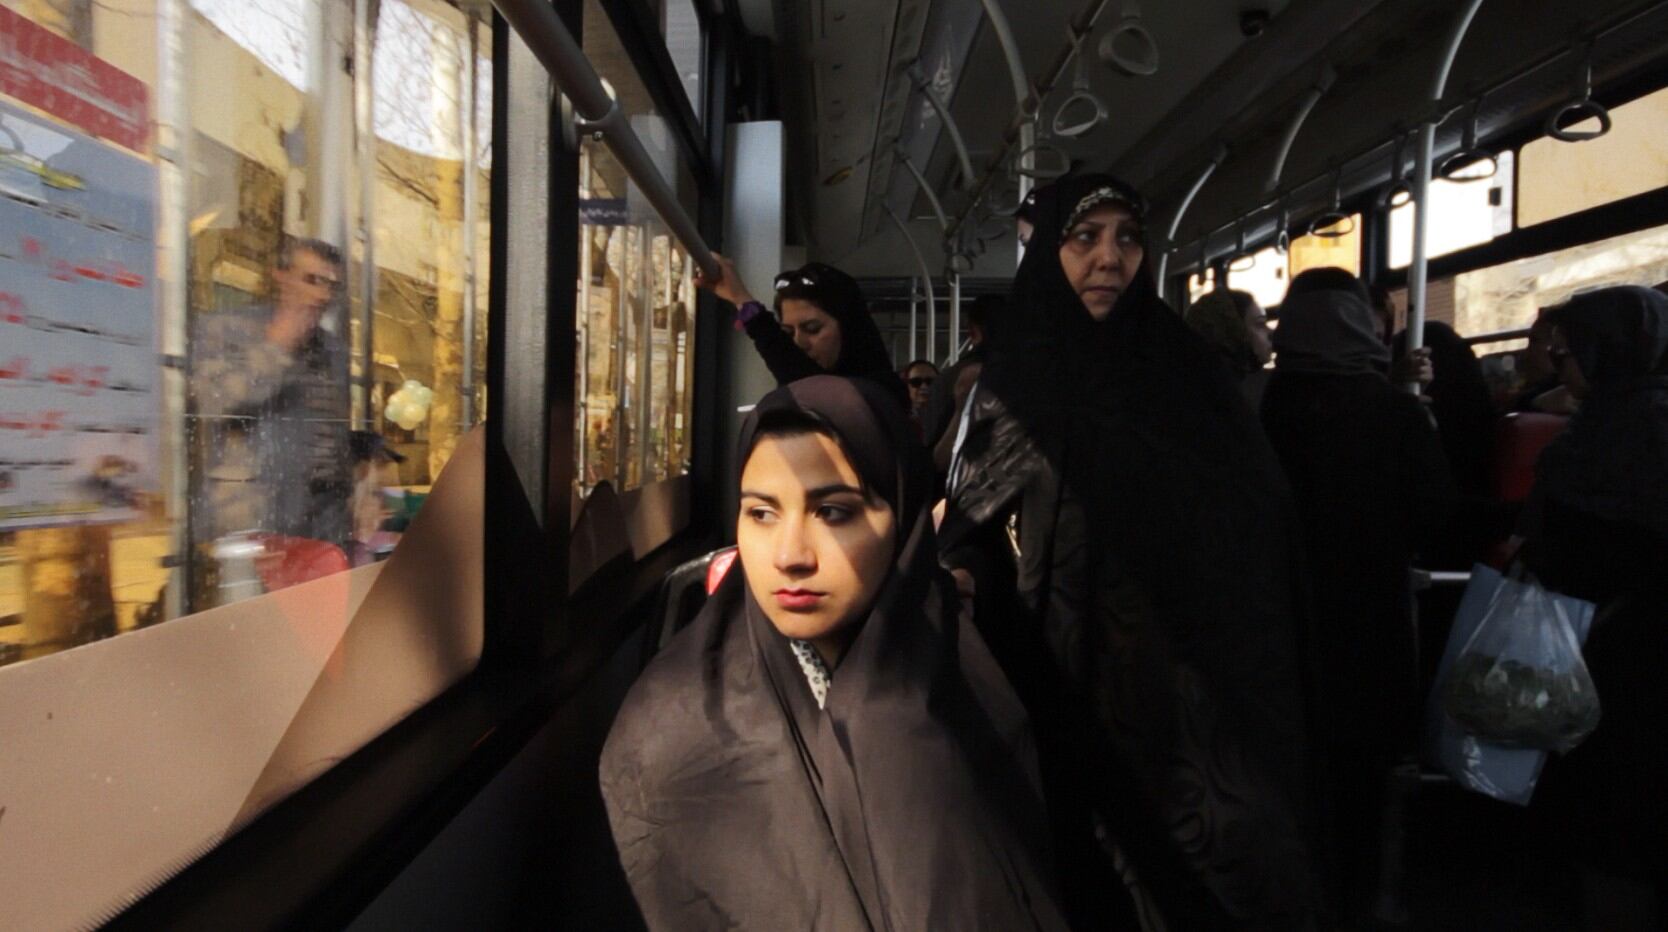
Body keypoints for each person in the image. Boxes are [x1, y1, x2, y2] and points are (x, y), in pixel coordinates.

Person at [941, 173, 1320, 928]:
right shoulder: (1016, 382)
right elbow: (974, 524)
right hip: (1057, 674)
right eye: (1085, 239)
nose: (1109, 258)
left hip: (1188, 688)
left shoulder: (1188, 376)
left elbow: (1259, 516)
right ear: (1049, 252)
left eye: (1127, 239)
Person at [599, 375, 1068, 931]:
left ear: (905, 523)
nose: (790, 555)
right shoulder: (672, 729)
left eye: (834, 512)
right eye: (761, 513)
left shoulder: (968, 676)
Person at [1259, 278, 1456, 919]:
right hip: (1367, 622)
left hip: (1276, 619)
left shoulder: (1257, 407)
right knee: (1361, 786)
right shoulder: (1394, 412)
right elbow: (1434, 517)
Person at [1519, 286, 1668, 931]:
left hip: (1596, 662)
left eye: (1571, 349)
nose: (1560, 361)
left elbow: (1549, 556)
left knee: (1609, 831)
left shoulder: (1576, 452)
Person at [190, 237, 350, 566]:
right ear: (281, 276)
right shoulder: (226, 328)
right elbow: (215, 402)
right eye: (312, 280)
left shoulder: (332, 350)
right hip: (251, 523)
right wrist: (276, 345)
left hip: (320, 526)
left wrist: (364, 472)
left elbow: (333, 434)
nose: (322, 295)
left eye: (331, 286)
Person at [695, 254, 906, 406]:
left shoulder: (883, 394)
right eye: (788, 333)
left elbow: (814, 389)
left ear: (849, 328)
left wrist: (744, 302)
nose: (799, 343)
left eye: (813, 329)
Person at [1183, 287, 1273, 410]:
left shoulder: (1189, 386)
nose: (1271, 332)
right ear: (1235, 331)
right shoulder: (1254, 392)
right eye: (1260, 324)